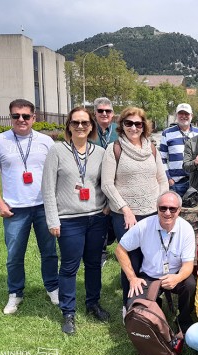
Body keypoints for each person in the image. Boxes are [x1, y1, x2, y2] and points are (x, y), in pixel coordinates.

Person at [0, 99, 59, 314]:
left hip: (43, 206)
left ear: (34, 118)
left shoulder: (46, 141)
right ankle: (15, 293)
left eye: (26, 116)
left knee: (49, 252)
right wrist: (0, 204)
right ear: (11, 118)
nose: (21, 120)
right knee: (14, 255)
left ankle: (52, 287)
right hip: (14, 209)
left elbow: (57, 172)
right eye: (16, 116)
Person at [42, 107, 109, 334]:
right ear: (69, 126)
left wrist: (107, 207)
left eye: (84, 123)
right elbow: (48, 188)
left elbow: (107, 183)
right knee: (69, 267)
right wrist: (53, 219)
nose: (80, 127)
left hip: (96, 217)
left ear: (91, 126)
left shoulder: (99, 152)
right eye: (75, 123)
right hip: (69, 219)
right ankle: (68, 312)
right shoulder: (57, 151)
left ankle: (92, 303)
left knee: (93, 264)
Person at [101, 106, 168, 316]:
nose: (133, 127)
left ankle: (150, 300)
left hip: (152, 213)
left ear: (144, 126)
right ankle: (129, 304)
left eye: (138, 124)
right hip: (125, 215)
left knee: (151, 258)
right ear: (121, 125)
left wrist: (161, 206)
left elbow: (162, 179)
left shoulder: (152, 149)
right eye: (128, 123)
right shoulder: (114, 150)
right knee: (131, 259)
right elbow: (107, 184)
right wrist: (125, 209)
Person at [115, 191, 196, 333]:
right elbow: (120, 249)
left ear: (179, 210)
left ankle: (183, 320)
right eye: (163, 208)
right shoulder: (144, 225)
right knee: (134, 306)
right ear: (157, 208)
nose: (167, 213)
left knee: (190, 284)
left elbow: (188, 265)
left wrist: (177, 277)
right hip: (149, 275)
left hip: (175, 274)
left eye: (172, 209)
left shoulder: (186, 229)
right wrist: (132, 278)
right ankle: (153, 312)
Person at [91, 97, 119, 266]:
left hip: (116, 179)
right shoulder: (88, 129)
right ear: (95, 113)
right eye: (100, 111)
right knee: (99, 215)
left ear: (112, 113)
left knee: (115, 213)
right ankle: (100, 252)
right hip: (95, 180)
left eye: (107, 111)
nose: (104, 114)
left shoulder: (119, 129)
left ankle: (116, 243)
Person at [160, 103, 198, 197]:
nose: (183, 116)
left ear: (191, 116)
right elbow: (161, 159)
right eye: (180, 113)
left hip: (196, 183)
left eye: (186, 114)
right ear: (176, 115)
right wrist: (169, 179)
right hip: (176, 183)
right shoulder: (167, 133)